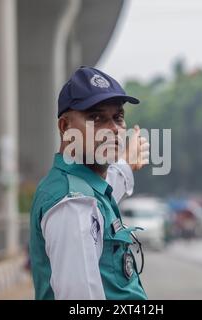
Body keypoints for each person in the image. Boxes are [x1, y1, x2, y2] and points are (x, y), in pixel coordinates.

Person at [29, 66, 150, 300]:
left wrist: (126, 164)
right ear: (65, 127)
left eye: (118, 117)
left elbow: (104, 196)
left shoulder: (86, 189)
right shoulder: (73, 203)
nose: (113, 129)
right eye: (96, 118)